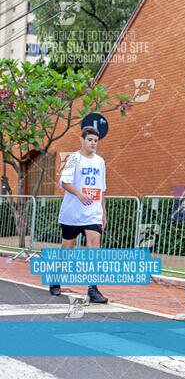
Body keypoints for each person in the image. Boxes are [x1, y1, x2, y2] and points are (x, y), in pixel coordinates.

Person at [51, 126, 107, 303]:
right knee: (67, 248)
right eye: (90, 139)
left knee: (94, 249)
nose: (92, 143)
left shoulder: (100, 162)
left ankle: (93, 289)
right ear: (82, 140)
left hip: (93, 213)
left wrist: (104, 212)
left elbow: (102, 189)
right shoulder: (74, 158)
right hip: (72, 213)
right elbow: (65, 183)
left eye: (95, 141)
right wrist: (80, 194)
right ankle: (55, 279)